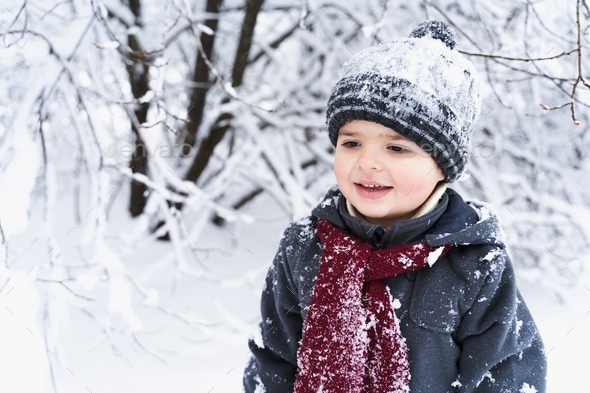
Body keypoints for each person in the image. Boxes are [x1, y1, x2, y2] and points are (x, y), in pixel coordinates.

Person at [243, 20, 547, 393]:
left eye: (397, 148)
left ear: (442, 167)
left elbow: (506, 376)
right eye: (351, 143)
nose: (367, 163)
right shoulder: (305, 247)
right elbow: (274, 362)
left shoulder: (474, 262)